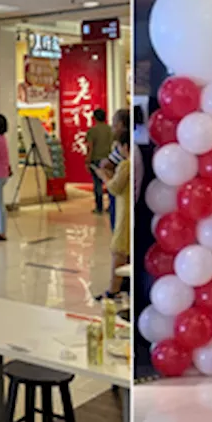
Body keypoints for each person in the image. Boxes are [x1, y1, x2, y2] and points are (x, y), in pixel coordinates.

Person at [95, 131, 133, 300]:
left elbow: (115, 188)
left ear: (125, 147)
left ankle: (113, 289)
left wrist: (104, 177)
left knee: (119, 250)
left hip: (124, 212)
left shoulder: (126, 165)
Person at [103, 109, 131, 230]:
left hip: (120, 188)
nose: (112, 128)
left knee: (118, 222)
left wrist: (103, 173)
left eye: (114, 124)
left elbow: (109, 164)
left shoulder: (122, 142)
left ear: (120, 124)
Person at [85, 109, 114, 215]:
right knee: (110, 183)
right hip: (109, 159)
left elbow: (90, 147)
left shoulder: (92, 131)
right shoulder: (110, 129)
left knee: (97, 184)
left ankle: (99, 207)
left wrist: (87, 160)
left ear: (94, 118)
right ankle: (111, 206)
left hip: (96, 159)